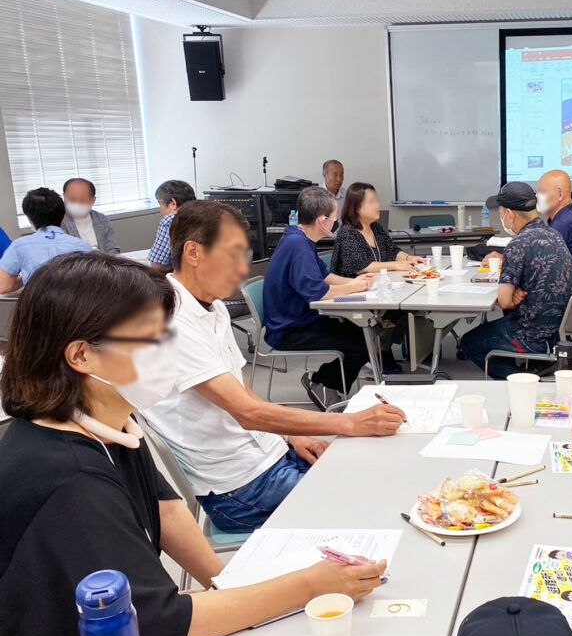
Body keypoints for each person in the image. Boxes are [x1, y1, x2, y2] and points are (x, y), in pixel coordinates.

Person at [0, 251, 385, 636]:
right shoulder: (67, 478)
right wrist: (310, 585)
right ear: (82, 356)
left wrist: (230, 587)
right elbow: (160, 624)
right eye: (151, 338)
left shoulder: (105, 422)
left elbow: (167, 510)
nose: (169, 352)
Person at [143, 200, 405, 533]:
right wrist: (349, 423)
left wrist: (293, 434)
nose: (241, 269)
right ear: (194, 253)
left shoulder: (213, 307)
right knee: (369, 506)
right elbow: (247, 412)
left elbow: (245, 393)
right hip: (239, 488)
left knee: (374, 474)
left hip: (266, 455)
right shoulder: (173, 322)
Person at [263, 186, 374, 409]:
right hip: (289, 330)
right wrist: (353, 287)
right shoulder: (299, 247)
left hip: (297, 319)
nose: (336, 222)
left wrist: (361, 284)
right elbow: (318, 294)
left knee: (363, 334)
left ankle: (328, 382)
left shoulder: (299, 239)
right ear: (323, 220)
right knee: (361, 344)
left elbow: (325, 277)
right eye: (334, 217)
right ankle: (321, 382)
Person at [460, 183, 572, 380]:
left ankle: (519, 379)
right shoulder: (553, 234)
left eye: (501, 213)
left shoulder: (518, 244)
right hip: (556, 331)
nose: (501, 218)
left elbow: (504, 301)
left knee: (470, 342)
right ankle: (525, 368)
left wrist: (511, 294)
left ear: (510, 215)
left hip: (532, 335)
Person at [331, 182, 425, 372]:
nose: (377, 205)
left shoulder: (376, 228)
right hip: (350, 295)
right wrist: (396, 265)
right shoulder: (348, 233)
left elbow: (392, 250)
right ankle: (377, 351)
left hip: (375, 290)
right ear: (357, 207)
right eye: (372, 201)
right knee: (399, 309)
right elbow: (362, 268)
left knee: (412, 306)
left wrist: (409, 258)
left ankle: (387, 348)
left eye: (377, 200)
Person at [0, 188, 90, 293]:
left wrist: (27, 277)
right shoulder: (83, 246)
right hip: (76, 306)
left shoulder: (19, 246)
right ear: (63, 217)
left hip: (37, 307)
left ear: (30, 220)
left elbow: (3, 287)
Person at [536, 169, 572, 288]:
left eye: (542, 192)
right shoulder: (565, 218)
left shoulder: (563, 223)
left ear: (560, 194)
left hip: (570, 287)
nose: (537, 196)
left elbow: (540, 261)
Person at [60, 177, 119, 254]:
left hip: (103, 263)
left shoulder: (102, 219)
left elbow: (113, 248)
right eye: (72, 199)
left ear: (93, 201)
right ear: (64, 197)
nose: (77, 204)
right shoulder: (58, 221)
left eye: (82, 200)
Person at [148, 180, 196, 273]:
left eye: (160, 204)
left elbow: (157, 266)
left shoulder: (169, 221)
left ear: (173, 203)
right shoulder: (205, 214)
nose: (160, 210)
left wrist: (180, 265)